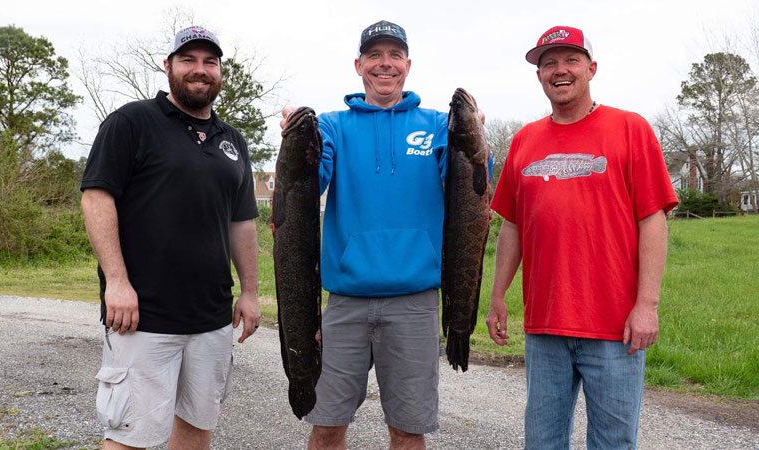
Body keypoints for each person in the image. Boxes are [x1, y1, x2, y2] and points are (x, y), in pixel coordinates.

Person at [281, 19, 487, 450]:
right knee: (327, 422)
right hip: (345, 303)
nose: (385, 64)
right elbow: (306, 186)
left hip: (415, 303)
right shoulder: (334, 126)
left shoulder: (436, 124)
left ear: (407, 65)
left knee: (408, 428)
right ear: (359, 65)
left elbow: (469, 188)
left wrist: (475, 138)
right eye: (375, 55)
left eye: (394, 55)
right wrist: (296, 143)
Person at [486, 26, 678, 449]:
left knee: (612, 442)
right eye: (548, 62)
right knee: (542, 441)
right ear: (539, 75)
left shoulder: (631, 129)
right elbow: (512, 226)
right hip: (545, 325)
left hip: (615, 327)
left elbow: (653, 220)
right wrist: (497, 296)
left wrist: (646, 305)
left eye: (570, 60)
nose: (559, 70)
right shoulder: (524, 141)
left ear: (591, 68)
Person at [80, 26, 260, 450]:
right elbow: (96, 199)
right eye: (188, 60)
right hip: (143, 314)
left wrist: (250, 291)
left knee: (198, 427)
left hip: (212, 316)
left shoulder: (232, 140)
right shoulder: (131, 122)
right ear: (168, 66)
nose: (200, 70)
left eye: (209, 62)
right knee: (131, 435)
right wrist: (118, 282)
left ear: (219, 72)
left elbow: (243, 222)